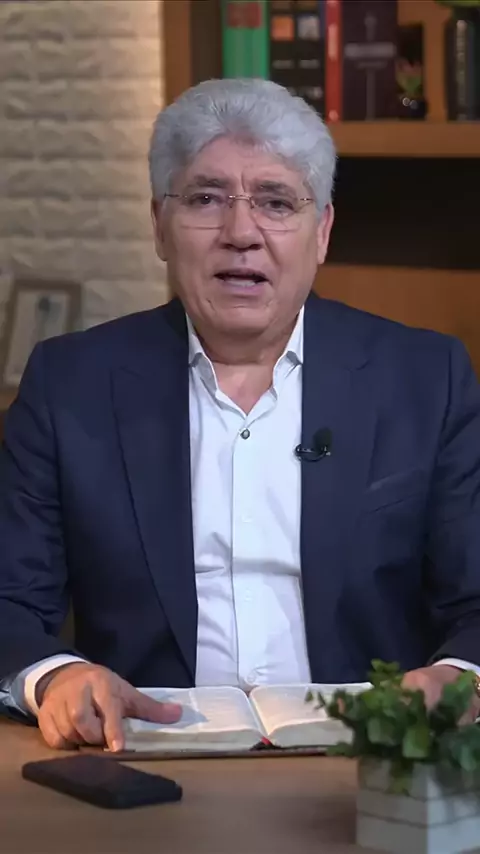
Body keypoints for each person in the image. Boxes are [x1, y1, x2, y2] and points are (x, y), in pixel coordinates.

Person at [1, 78, 480, 752]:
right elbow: (10, 600)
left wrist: (455, 680)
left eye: (276, 202)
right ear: (159, 226)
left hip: (368, 759)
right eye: (205, 199)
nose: (241, 234)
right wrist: (58, 676)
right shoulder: (70, 386)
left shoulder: (425, 380)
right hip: (142, 754)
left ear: (322, 232)